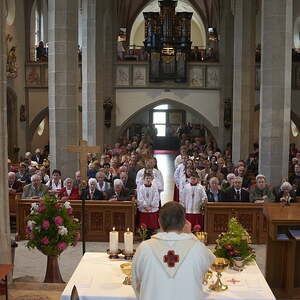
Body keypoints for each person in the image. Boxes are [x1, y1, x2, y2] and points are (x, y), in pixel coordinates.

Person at [132, 201, 215, 300]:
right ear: (184, 223)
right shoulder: (197, 248)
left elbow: (136, 283)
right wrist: (191, 235)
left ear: (159, 222)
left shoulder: (144, 248)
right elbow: (213, 261)